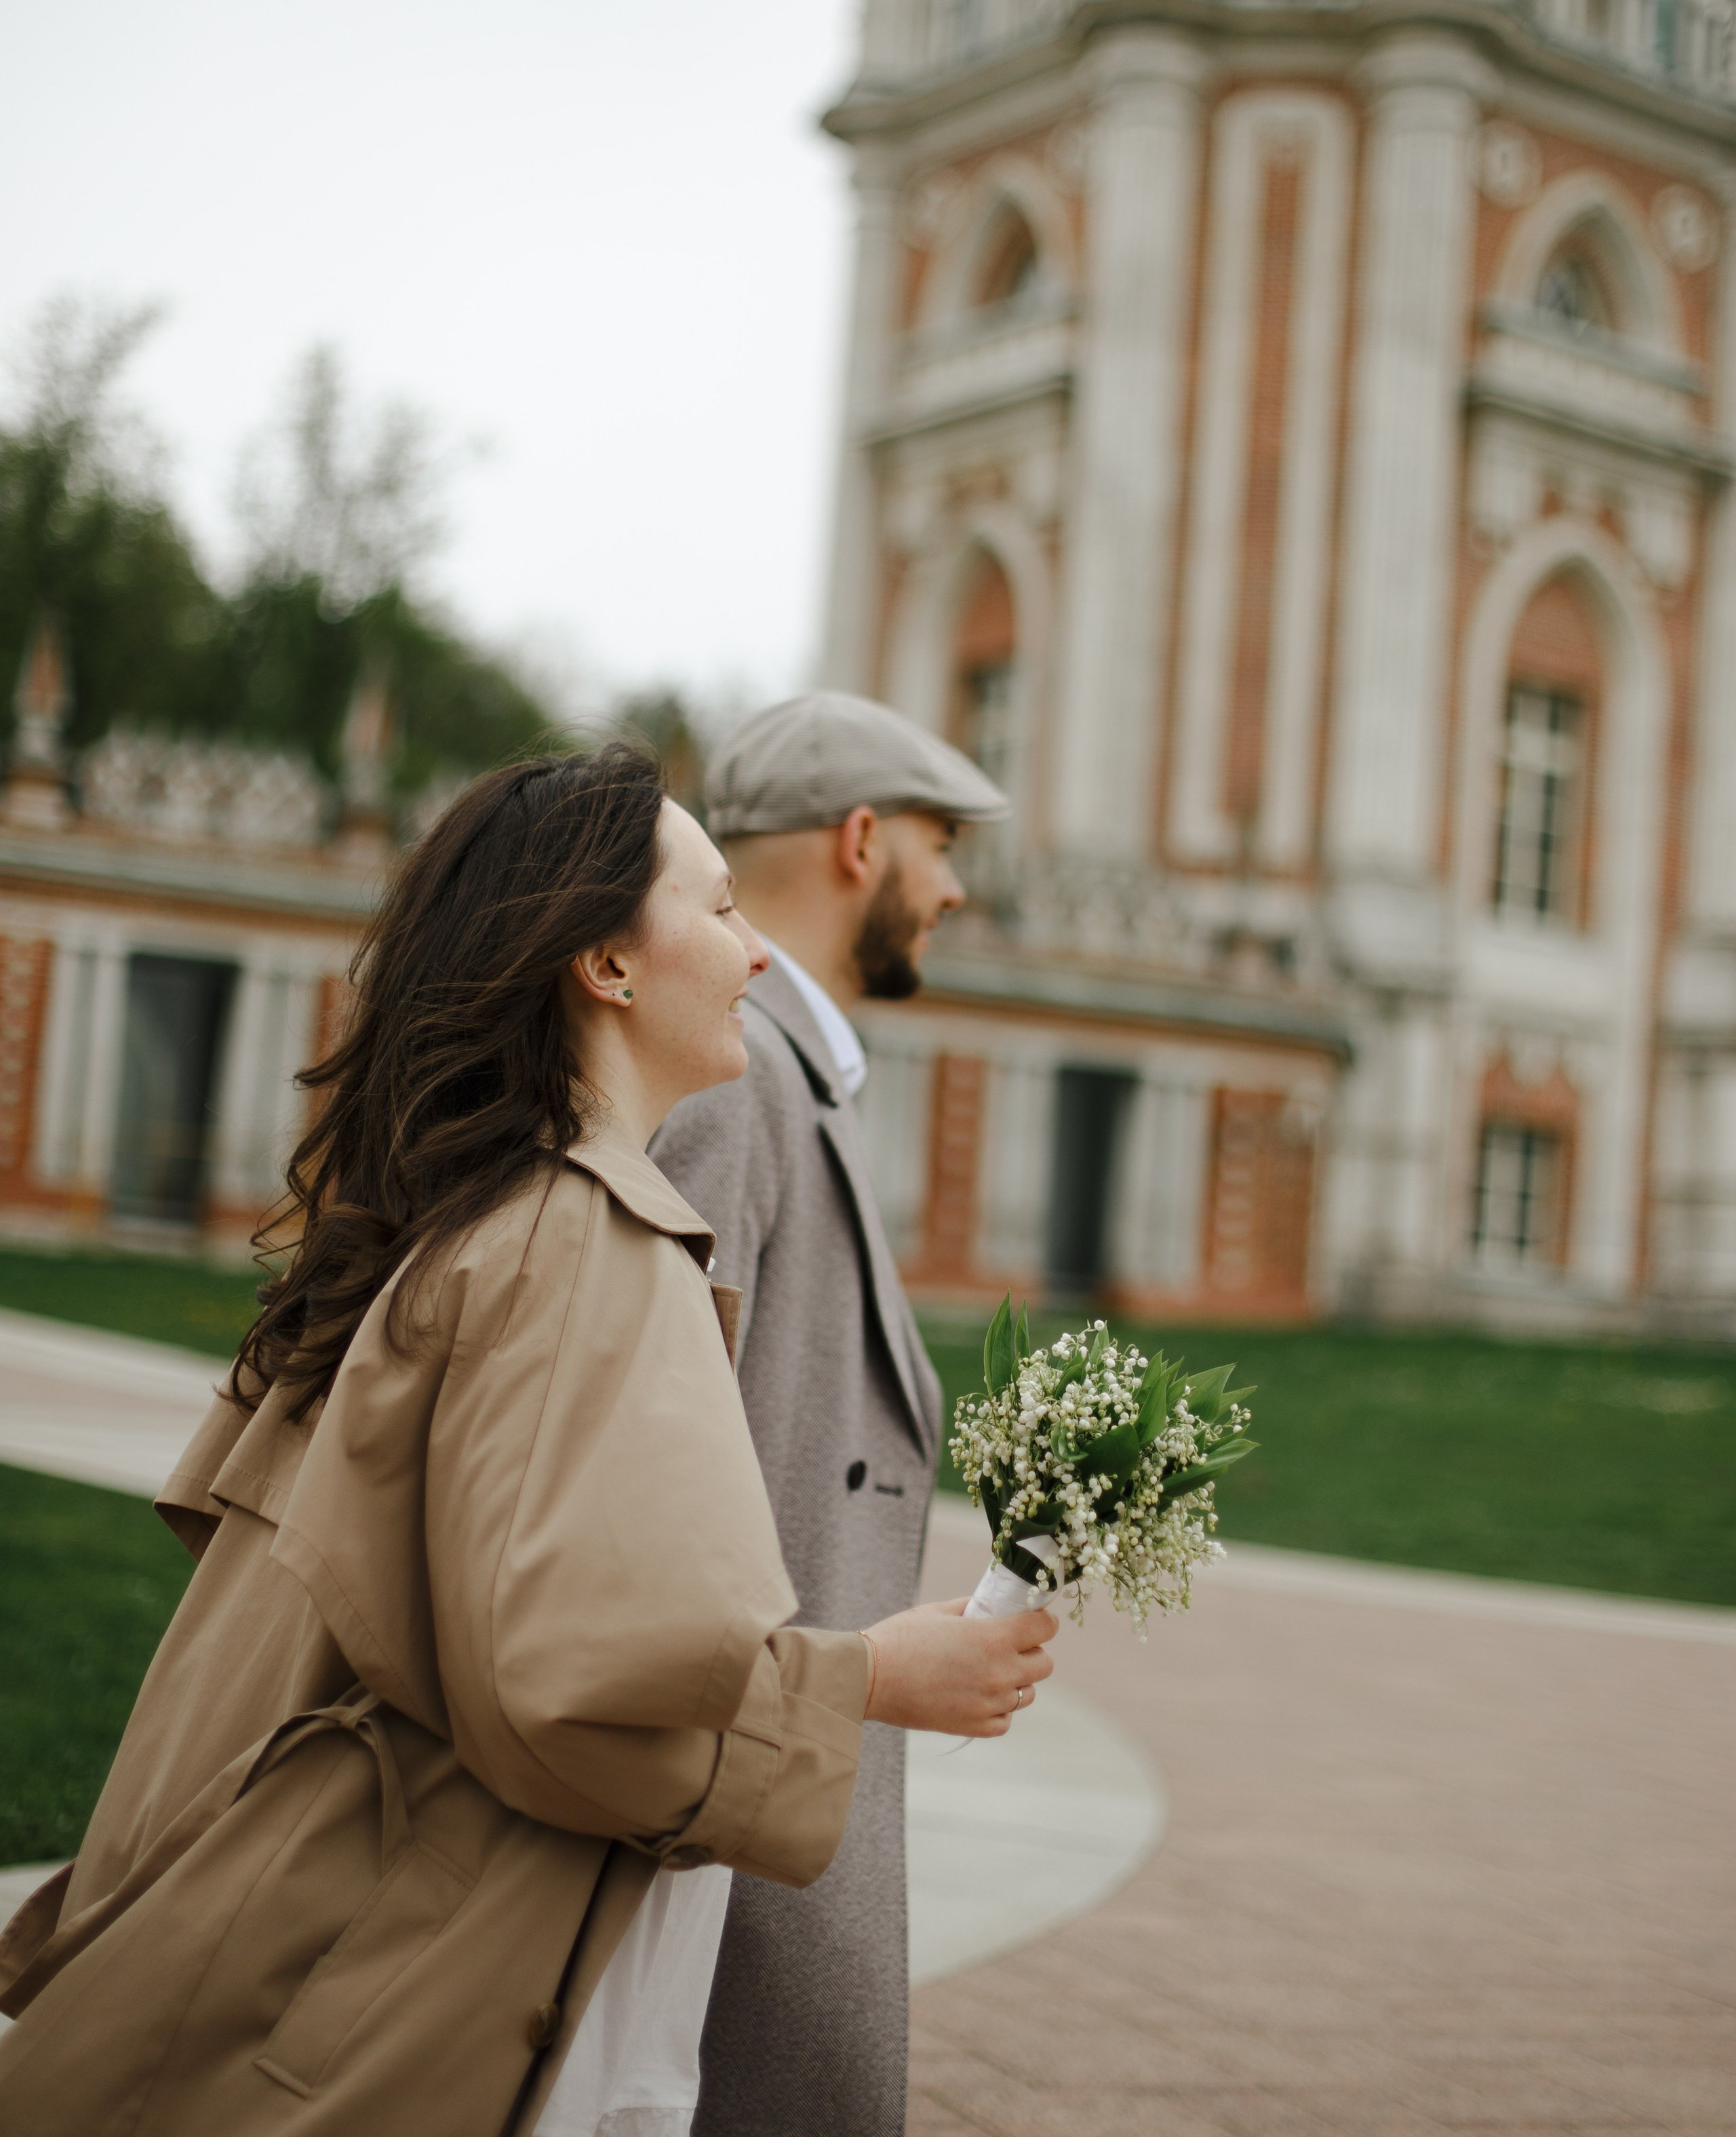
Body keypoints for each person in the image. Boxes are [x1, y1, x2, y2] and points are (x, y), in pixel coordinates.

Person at [0, 744, 1055, 2137]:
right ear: (606, 966)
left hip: (288, 1923)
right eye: (719, 911)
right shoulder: (585, 1241)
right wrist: (872, 1676)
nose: (751, 956)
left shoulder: (470, 1208)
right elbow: (576, 1697)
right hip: (421, 1970)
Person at [648, 691, 1012, 2137]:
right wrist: (849, 1674)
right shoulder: (737, 1087)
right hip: (735, 1798)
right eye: (937, 842)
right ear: (862, 840)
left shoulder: (793, 1078)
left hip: (771, 1778)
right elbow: (652, 1459)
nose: (952, 884)